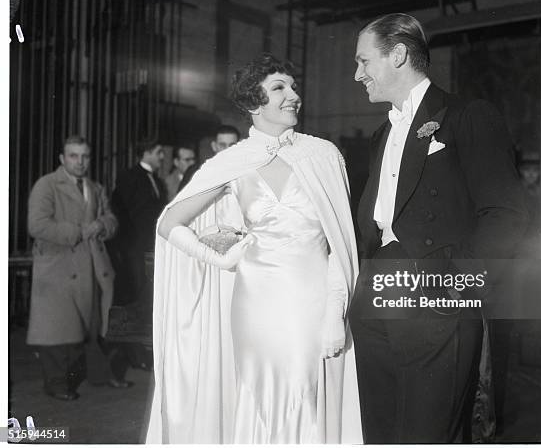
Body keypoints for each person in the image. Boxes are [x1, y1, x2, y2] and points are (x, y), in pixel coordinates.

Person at [146, 54, 362, 443]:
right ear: (252, 102)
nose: (293, 95)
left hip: (313, 301)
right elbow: (168, 223)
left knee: (305, 395)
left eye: (293, 86)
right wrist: (219, 257)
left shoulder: (323, 155)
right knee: (258, 399)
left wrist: (335, 312)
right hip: (254, 303)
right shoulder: (233, 161)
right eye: (279, 87)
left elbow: (340, 247)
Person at [349, 13, 529, 443]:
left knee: (427, 434)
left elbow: (506, 213)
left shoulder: (468, 115)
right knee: (381, 431)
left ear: (397, 55)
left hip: (436, 294)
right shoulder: (380, 135)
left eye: (363, 62)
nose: (357, 75)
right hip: (377, 291)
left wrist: (457, 282)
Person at [27, 135, 130, 401]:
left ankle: (99, 375)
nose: (80, 161)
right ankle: (57, 384)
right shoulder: (47, 185)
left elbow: (111, 218)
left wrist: (103, 225)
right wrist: (79, 231)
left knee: (94, 326)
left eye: (84, 156)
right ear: (62, 158)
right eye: (73, 155)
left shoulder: (95, 187)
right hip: (59, 267)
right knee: (58, 331)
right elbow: (37, 225)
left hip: (93, 266)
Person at [112, 139, 167, 305]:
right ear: (146, 153)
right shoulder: (129, 177)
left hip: (151, 244)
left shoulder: (157, 181)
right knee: (135, 290)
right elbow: (121, 210)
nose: (163, 157)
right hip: (134, 245)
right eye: (158, 152)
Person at [178, 125, 240, 193]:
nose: (227, 149)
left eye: (232, 145)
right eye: (222, 145)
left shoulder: (247, 171)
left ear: (239, 145)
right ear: (214, 146)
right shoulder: (196, 172)